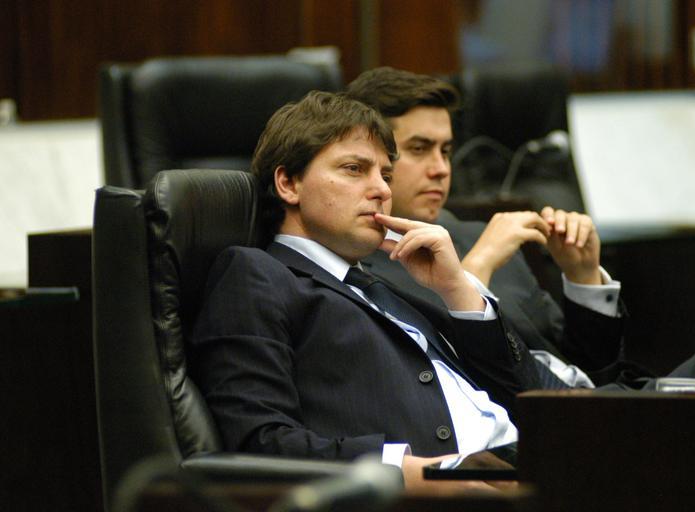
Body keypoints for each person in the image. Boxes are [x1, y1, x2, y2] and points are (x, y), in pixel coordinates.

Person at [190, 91, 561, 492]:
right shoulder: (256, 274)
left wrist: (457, 289)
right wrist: (413, 475)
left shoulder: (386, 283)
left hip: (535, 458)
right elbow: (259, 443)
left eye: (385, 175)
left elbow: (529, 394)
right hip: (455, 489)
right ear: (289, 183)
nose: (382, 190)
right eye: (354, 169)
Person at [346, 67, 630, 387]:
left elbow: (585, 369)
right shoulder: (355, 267)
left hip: (593, 404)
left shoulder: (481, 235)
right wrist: (476, 270)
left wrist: (583, 280)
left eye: (446, 151)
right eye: (419, 149)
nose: (441, 169)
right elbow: (443, 386)